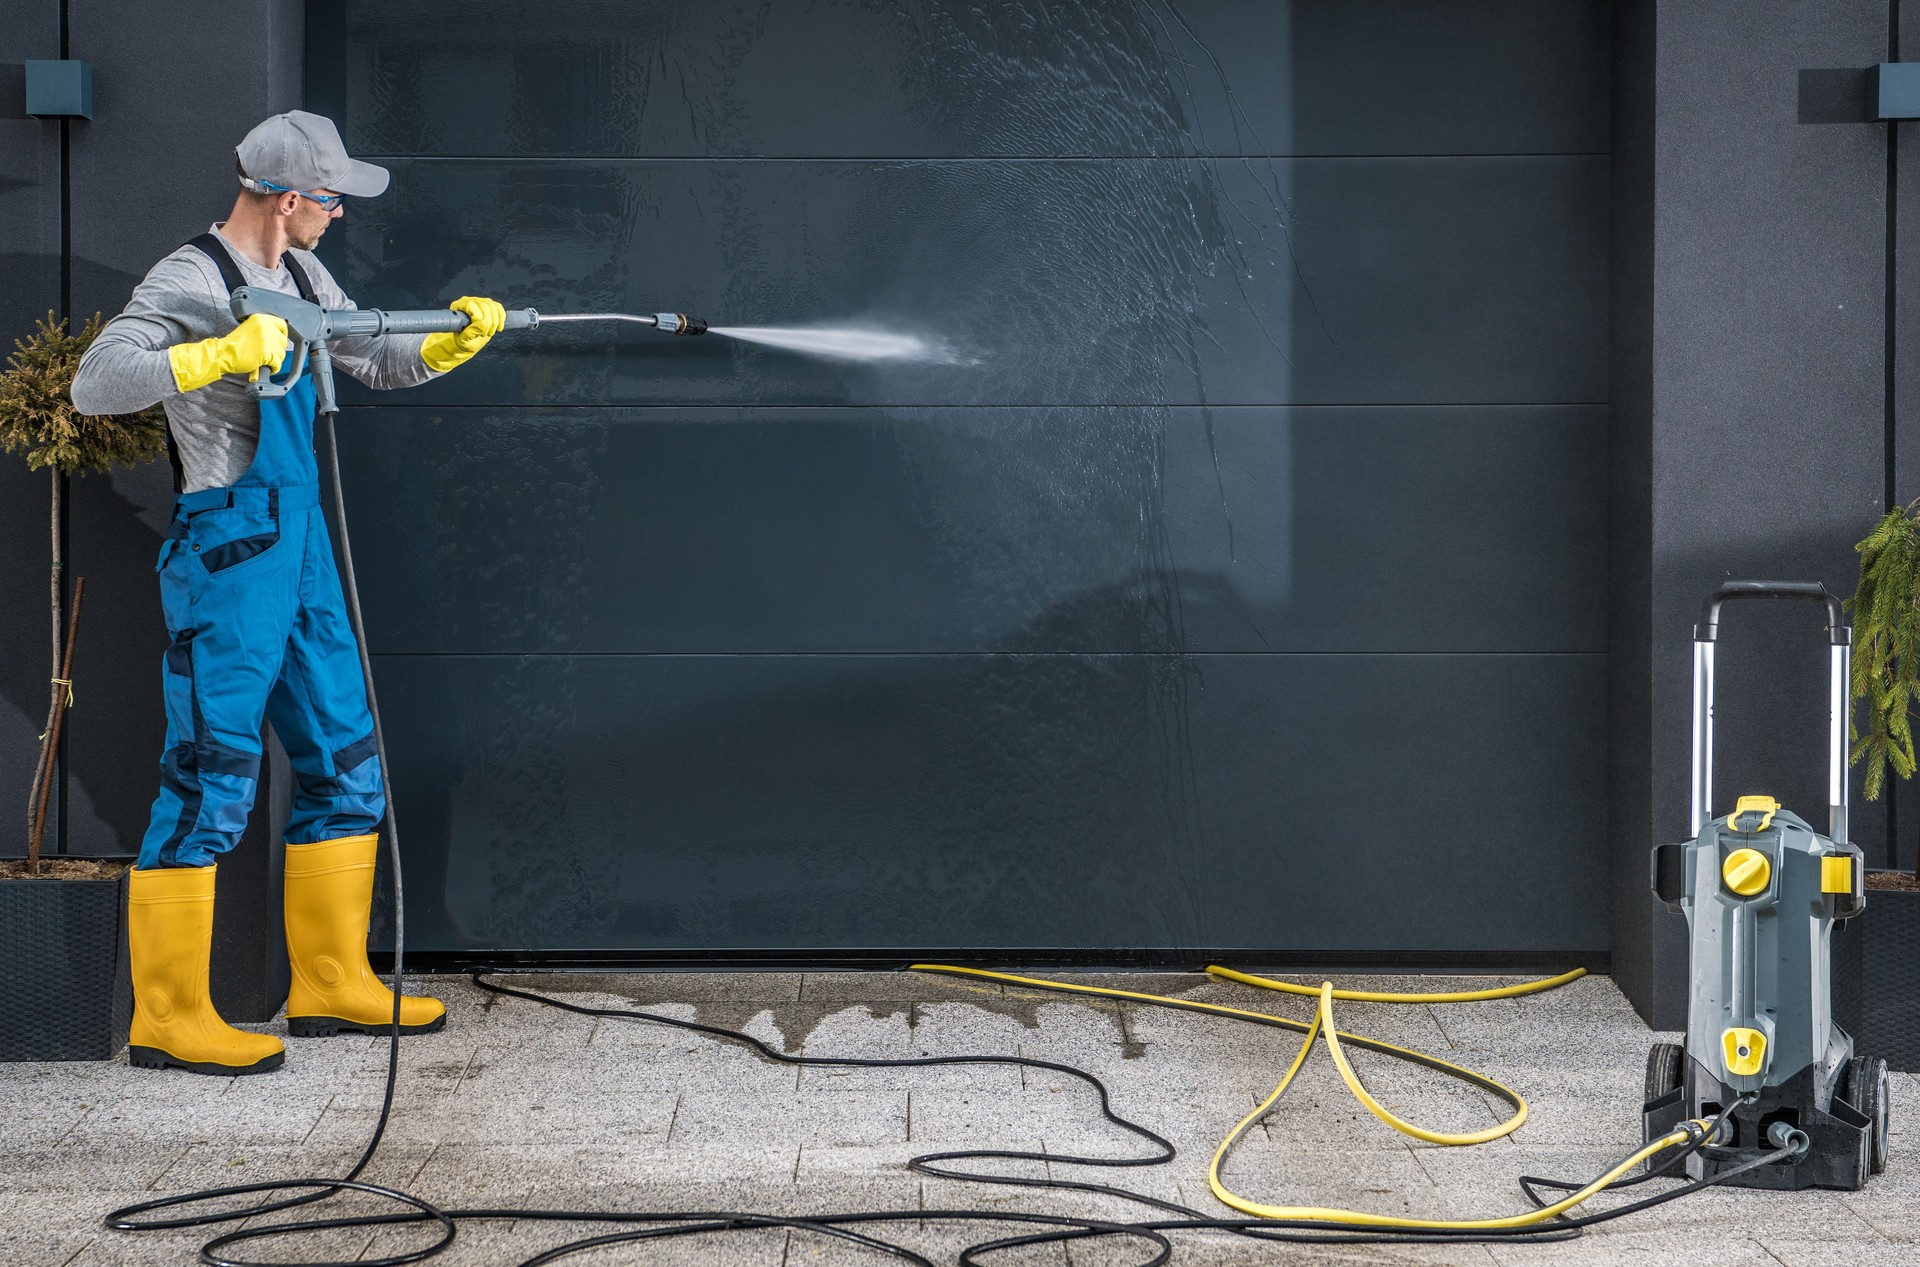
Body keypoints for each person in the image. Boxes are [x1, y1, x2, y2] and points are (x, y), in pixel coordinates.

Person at [71, 110, 505, 1076]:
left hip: (301, 548)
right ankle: (170, 1017)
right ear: (281, 195)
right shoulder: (189, 279)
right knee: (211, 771)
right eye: (329, 195)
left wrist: (444, 342)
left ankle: (328, 982)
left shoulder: (306, 274)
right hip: (228, 551)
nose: (339, 212)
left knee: (348, 753)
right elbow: (94, 386)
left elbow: (365, 357)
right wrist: (213, 355)